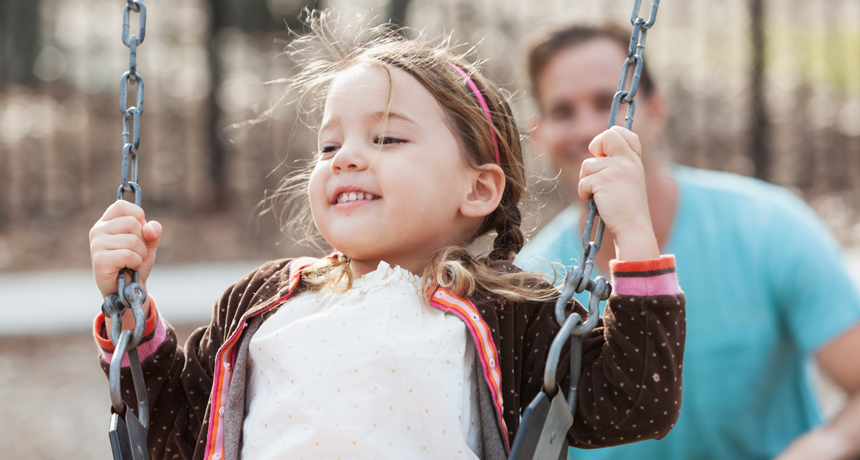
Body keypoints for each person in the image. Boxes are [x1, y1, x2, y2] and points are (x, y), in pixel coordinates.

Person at [88, 15, 686, 460]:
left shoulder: (510, 317)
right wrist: (129, 311)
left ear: (478, 190)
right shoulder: (262, 304)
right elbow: (170, 431)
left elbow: (637, 403)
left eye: (387, 139)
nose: (345, 158)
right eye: (329, 146)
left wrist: (632, 232)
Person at [515, 23, 860, 460]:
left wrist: (827, 445)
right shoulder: (532, 281)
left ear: (655, 110)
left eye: (609, 103)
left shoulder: (768, 227)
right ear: (539, 133)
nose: (589, 129)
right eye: (563, 111)